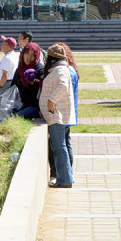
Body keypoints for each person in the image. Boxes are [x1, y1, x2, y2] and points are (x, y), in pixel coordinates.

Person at [40, 44, 76, 188]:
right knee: (61, 147)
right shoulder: (60, 69)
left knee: (59, 147)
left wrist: (51, 101)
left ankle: (65, 180)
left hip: (57, 115)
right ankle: (66, 177)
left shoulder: (60, 70)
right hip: (58, 114)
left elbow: (62, 86)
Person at [11, 42, 45, 119]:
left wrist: (34, 82)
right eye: (27, 53)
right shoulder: (19, 69)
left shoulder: (40, 69)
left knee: (14, 118)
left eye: (32, 55)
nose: (29, 57)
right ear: (23, 54)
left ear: (37, 56)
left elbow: (43, 90)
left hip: (34, 107)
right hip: (20, 105)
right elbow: (12, 87)